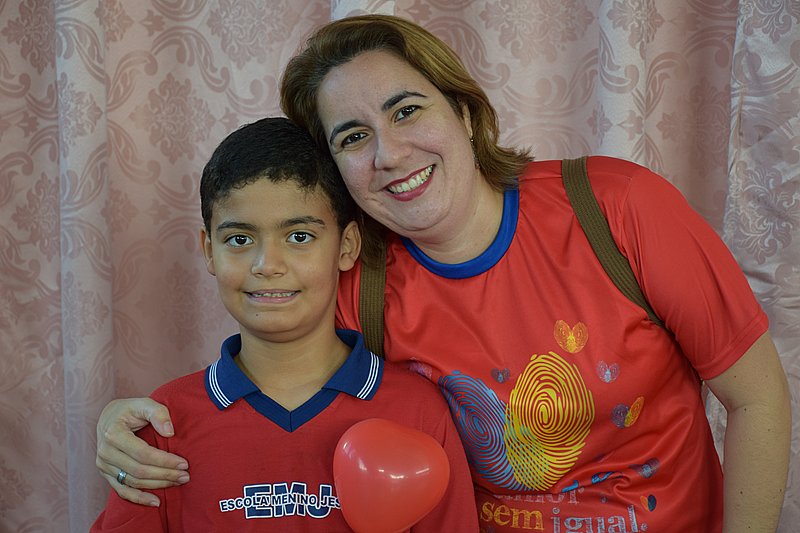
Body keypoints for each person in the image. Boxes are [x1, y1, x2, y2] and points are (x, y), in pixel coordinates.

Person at [95, 15, 792, 533]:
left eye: (406, 110)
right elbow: (262, 394)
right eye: (353, 137)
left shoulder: (617, 207)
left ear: (461, 109)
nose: (390, 153)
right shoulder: (354, 284)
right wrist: (129, 429)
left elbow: (756, 397)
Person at [90, 116, 478, 532]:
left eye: (299, 237)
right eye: (240, 240)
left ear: (346, 246)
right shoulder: (163, 424)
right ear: (209, 251)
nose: (267, 265)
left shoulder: (416, 411)